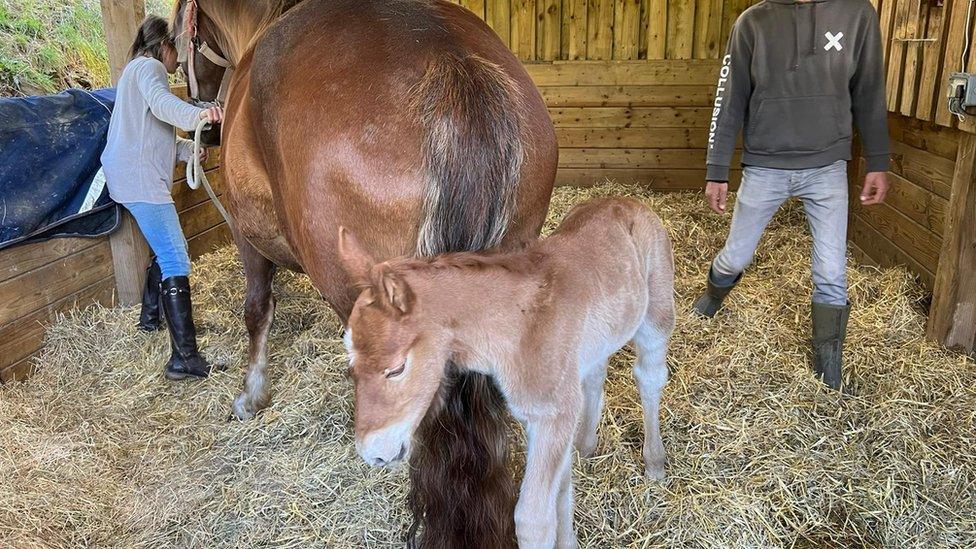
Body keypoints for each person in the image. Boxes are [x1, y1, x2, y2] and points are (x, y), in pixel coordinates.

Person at [693, 0, 890, 390]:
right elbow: (730, 99)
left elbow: (869, 90)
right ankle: (713, 295)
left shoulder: (856, 15)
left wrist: (877, 160)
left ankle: (828, 363)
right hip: (765, 165)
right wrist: (717, 170)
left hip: (827, 167)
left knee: (832, 271)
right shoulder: (753, 22)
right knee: (737, 255)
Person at [100, 15, 224, 381]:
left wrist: (187, 150)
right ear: (165, 46)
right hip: (141, 181)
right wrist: (202, 113)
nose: (177, 62)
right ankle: (184, 359)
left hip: (130, 176)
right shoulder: (150, 67)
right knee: (176, 258)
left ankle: (150, 318)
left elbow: (152, 131)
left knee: (163, 248)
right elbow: (162, 106)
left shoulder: (134, 72)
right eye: (177, 52)